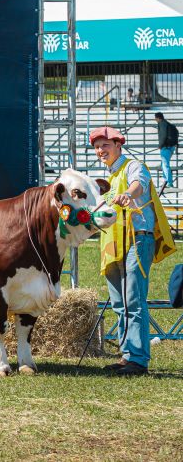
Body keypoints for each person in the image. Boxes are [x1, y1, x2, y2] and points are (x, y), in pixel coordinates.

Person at [91, 126, 176, 376]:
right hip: (113, 242)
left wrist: (128, 194)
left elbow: (139, 185)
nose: (100, 150)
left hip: (137, 239)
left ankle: (138, 359)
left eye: (105, 145)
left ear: (118, 145)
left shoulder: (133, 166)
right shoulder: (107, 178)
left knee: (133, 300)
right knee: (119, 302)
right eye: (97, 147)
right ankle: (127, 355)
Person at [155, 112, 178, 188]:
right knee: (164, 164)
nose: (155, 119)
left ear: (158, 118)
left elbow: (163, 135)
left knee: (165, 165)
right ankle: (166, 182)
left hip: (166, 147)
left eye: (155, 118)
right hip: (171, 146)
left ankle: (169, 182)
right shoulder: (167, 124)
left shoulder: (162, 124)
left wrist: (160, 145)